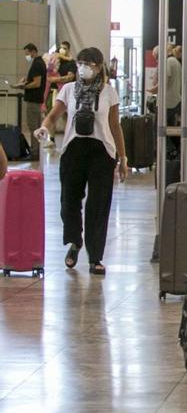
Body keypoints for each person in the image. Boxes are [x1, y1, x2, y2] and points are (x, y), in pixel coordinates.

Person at [35, 47, 127, 276]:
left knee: (98, 205)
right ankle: (75, 242)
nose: (83, 67)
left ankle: (95, 257)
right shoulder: (68, 90)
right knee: (68, 201)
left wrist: (123, 158)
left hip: (101, 152)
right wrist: (44, 128)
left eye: (88, 63)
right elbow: (54, 115)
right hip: (73, 150)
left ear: (98, 67)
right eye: (80, 63)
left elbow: (115, 126)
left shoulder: (108, 93)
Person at [16, 43, 47, 159]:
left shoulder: (37, 64)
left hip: (33, 100)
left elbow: (37, 83)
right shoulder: (40, 63)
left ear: (33, 51)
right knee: (36, 126)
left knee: (33, 126)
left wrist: (23, 86)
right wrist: (26, 81)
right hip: (37, 100)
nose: (26, 56)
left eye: (27, 53)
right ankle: (37, 151)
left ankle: (34, 153)